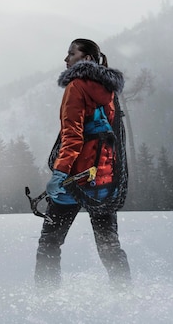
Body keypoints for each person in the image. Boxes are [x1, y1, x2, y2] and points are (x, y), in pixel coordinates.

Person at [35, 38, 131, 291]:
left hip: (74, 180)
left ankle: (46, 297)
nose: (66, 60)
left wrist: (59, 173)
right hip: (103, 180)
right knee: (109, 246)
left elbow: (72, 136)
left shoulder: (76, 86)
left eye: (71, 54)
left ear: (86, 59)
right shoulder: (109, 91)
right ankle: (126, 296)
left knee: (50, 243)